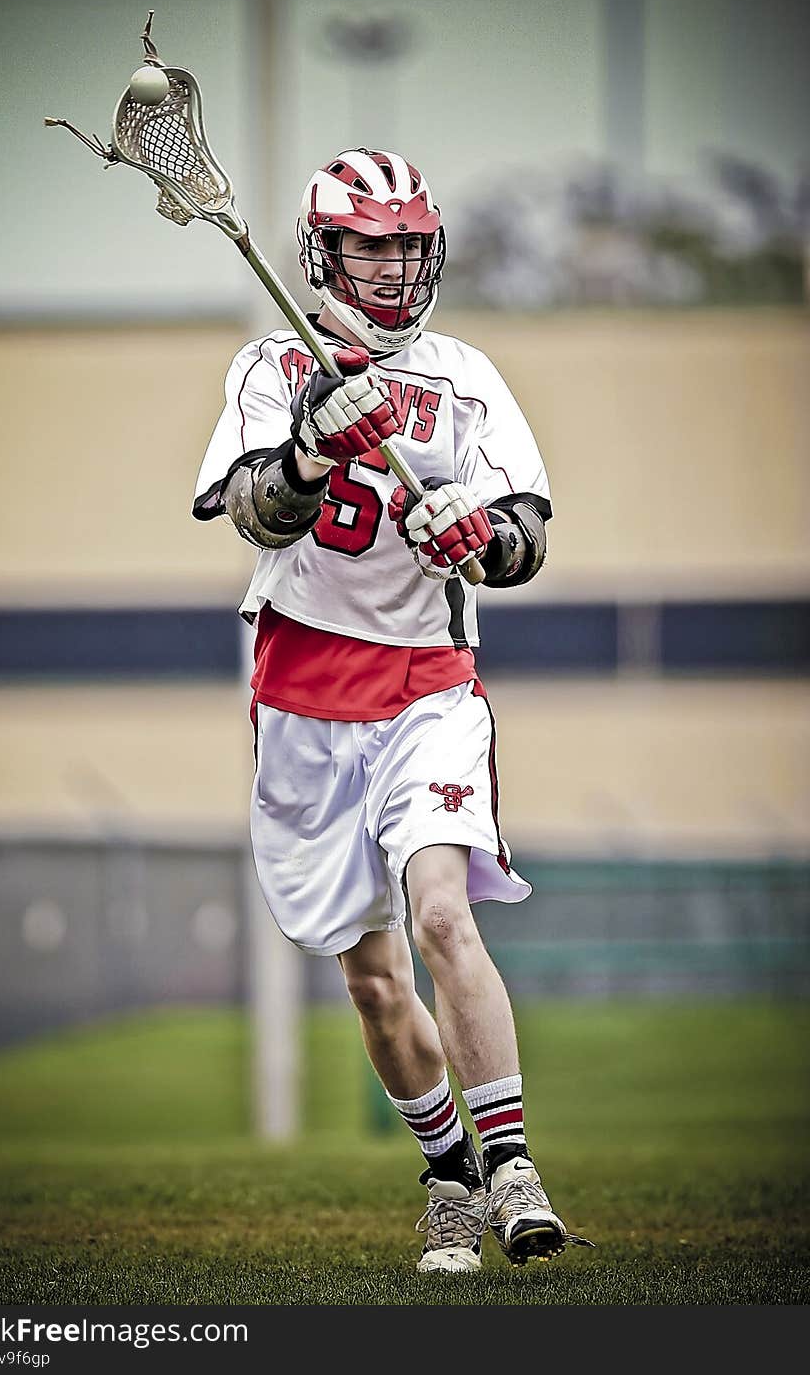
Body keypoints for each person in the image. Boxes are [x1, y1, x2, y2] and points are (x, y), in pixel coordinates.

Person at [192, 148, 590, 1273]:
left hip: (428, 683)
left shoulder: (466, 374)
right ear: (326, 250)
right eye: (371, 243)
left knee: (442, 915)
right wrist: (314, 444)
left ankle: (511, 1166)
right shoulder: (273, 365)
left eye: (410, 242)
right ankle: (449, 1176)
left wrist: (479, 528)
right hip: (305, 693)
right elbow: (259, 517)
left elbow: (523, 538)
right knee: (372, 979)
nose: (394, 264)